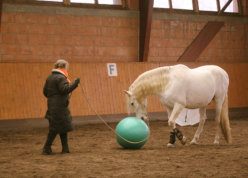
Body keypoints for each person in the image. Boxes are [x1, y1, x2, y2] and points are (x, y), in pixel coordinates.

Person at [42, 59, 80, 155]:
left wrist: (53, 99)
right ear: (64, 67)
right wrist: (75, 83)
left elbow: (45, 92)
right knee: (55, 128)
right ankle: (46, 148)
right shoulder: (61, 77)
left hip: (52, 106)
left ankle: (65, 148)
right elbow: (64, 89)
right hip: (60, 107)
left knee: (62, 127)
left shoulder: (50, 77)